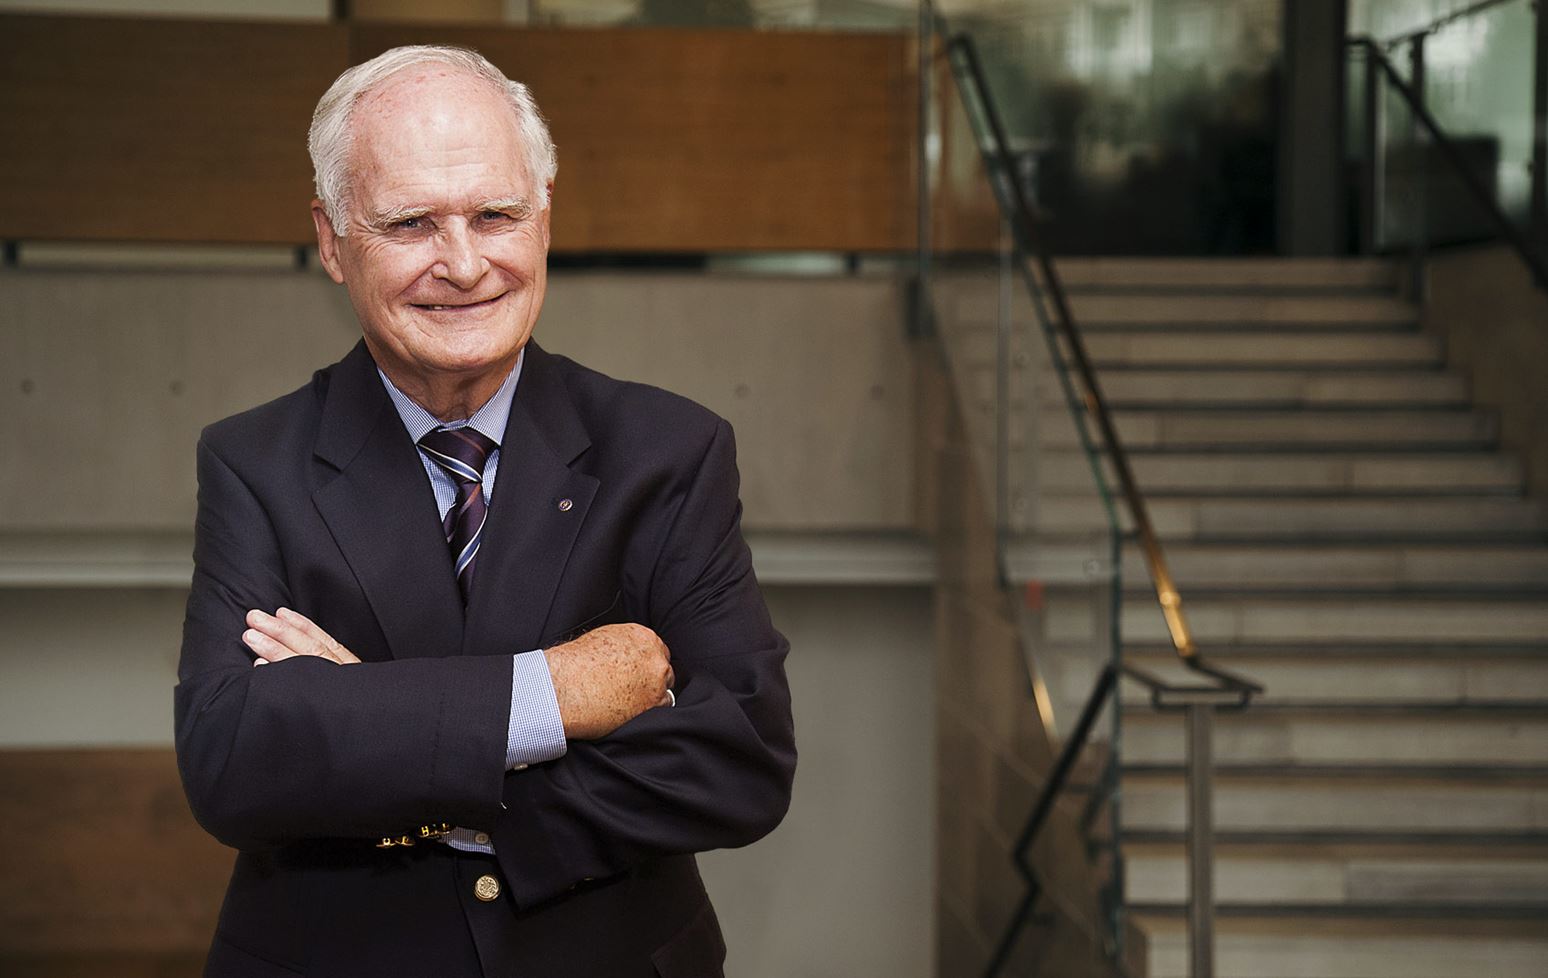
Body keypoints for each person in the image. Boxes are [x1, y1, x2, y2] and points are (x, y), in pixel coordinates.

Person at [173, 44, 795, 978]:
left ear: (545, 218)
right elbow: (233, 762)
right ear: (333, 240)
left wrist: (376, 730)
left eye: (496, 214)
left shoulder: (670, 451)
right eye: (411, 222)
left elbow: (740, 760)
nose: (463, 264)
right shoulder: (254, 463)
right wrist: (557, 696)